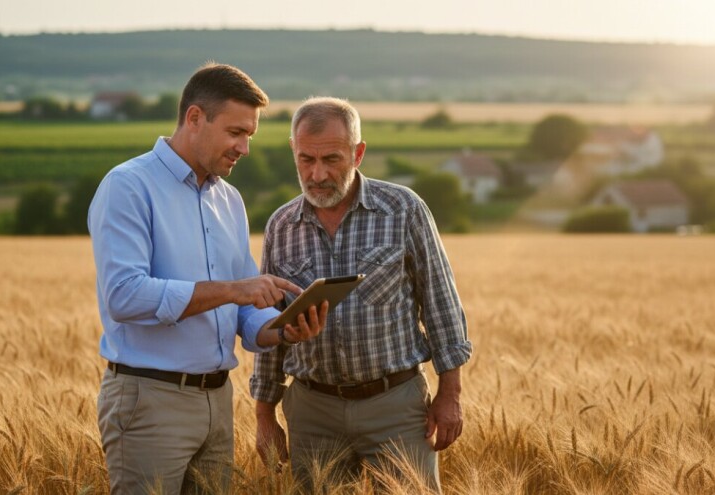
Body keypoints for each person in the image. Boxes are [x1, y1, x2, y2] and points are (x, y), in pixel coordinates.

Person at [88, 63, 328, 494]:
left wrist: (284, 330)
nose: (245, 148)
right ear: (195, 118)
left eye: (250, 135)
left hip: (218, 401)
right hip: (150, 401)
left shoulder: (229, 200)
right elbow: (124, 296)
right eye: (236, 132)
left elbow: (245, 314)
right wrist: (234, 290)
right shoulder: (128, 186)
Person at [251, 97, 472, 492]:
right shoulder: (281, 226)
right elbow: (271, 324)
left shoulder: (403, 209)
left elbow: (441, 303)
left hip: (395, 404)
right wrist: (264, 416)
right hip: (312, 412)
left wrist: (450, 394)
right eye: (306, 159)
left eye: (331, 159)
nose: (317, 174)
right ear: (293, 151)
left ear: (358, 153)